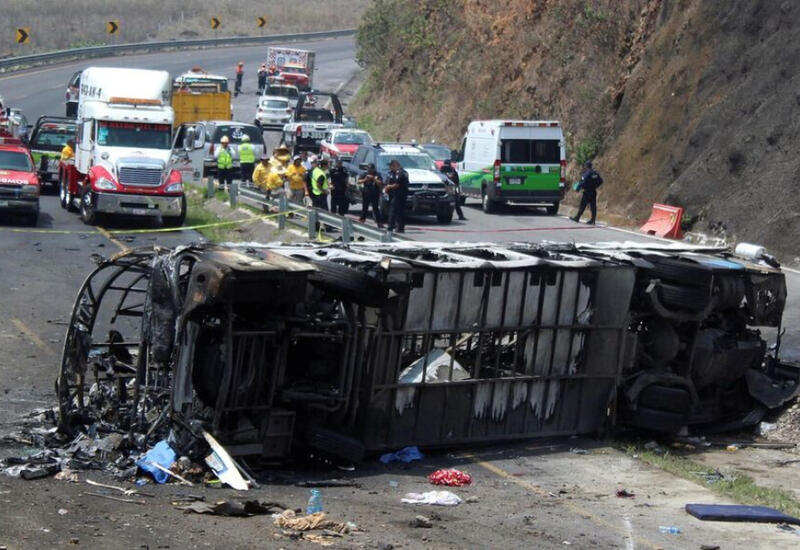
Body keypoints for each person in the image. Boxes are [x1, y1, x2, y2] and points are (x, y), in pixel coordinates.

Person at [571, 160, 604, 224]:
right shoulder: (595, 173)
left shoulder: (586, 174)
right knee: (593, 206)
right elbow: (601, 181)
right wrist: (595, 186)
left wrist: (577, 189)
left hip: (587, 192)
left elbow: (582, 182)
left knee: (583, 205)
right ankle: (593, 220)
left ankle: (577, 217)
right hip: (593, 191)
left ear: (586, 166)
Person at [384, 159, 409, 233]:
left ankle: (390, 227)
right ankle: (399, 228)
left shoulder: (401, 173)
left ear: (395, 166)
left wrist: (388, 187)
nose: (390, 168)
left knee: (393, 211)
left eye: (391, 166)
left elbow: (397, 184)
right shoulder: (392, 173)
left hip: (399, 195)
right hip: (394, 195)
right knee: (398, 212)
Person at [358, 163, 383, 227]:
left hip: (375, 194)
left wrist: (374, 179)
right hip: (366, 193)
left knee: (375, 209)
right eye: (369, 169)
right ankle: (362, 220)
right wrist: (365, 179)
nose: (370, 171)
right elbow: (358, 181)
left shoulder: (377, 174)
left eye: (371, 169)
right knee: (364, 208)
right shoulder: (365, 174)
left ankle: (379, 222)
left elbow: (380, 183)